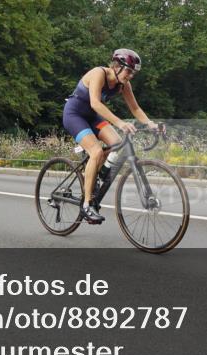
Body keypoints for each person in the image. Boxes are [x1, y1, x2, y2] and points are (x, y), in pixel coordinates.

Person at [62, 49, 156, 224]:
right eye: (128, 71)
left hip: (92, 117)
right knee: (96, 152)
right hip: (74, 114)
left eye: (133, 73)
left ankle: (98, 173)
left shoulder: (124, 84)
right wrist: (120, 123)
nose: (130, 76)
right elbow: (95, 103)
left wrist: (151, 124)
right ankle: (86, 205)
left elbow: (135, 109)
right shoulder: (99, 73)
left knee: (118, 143)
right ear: (117, 66)